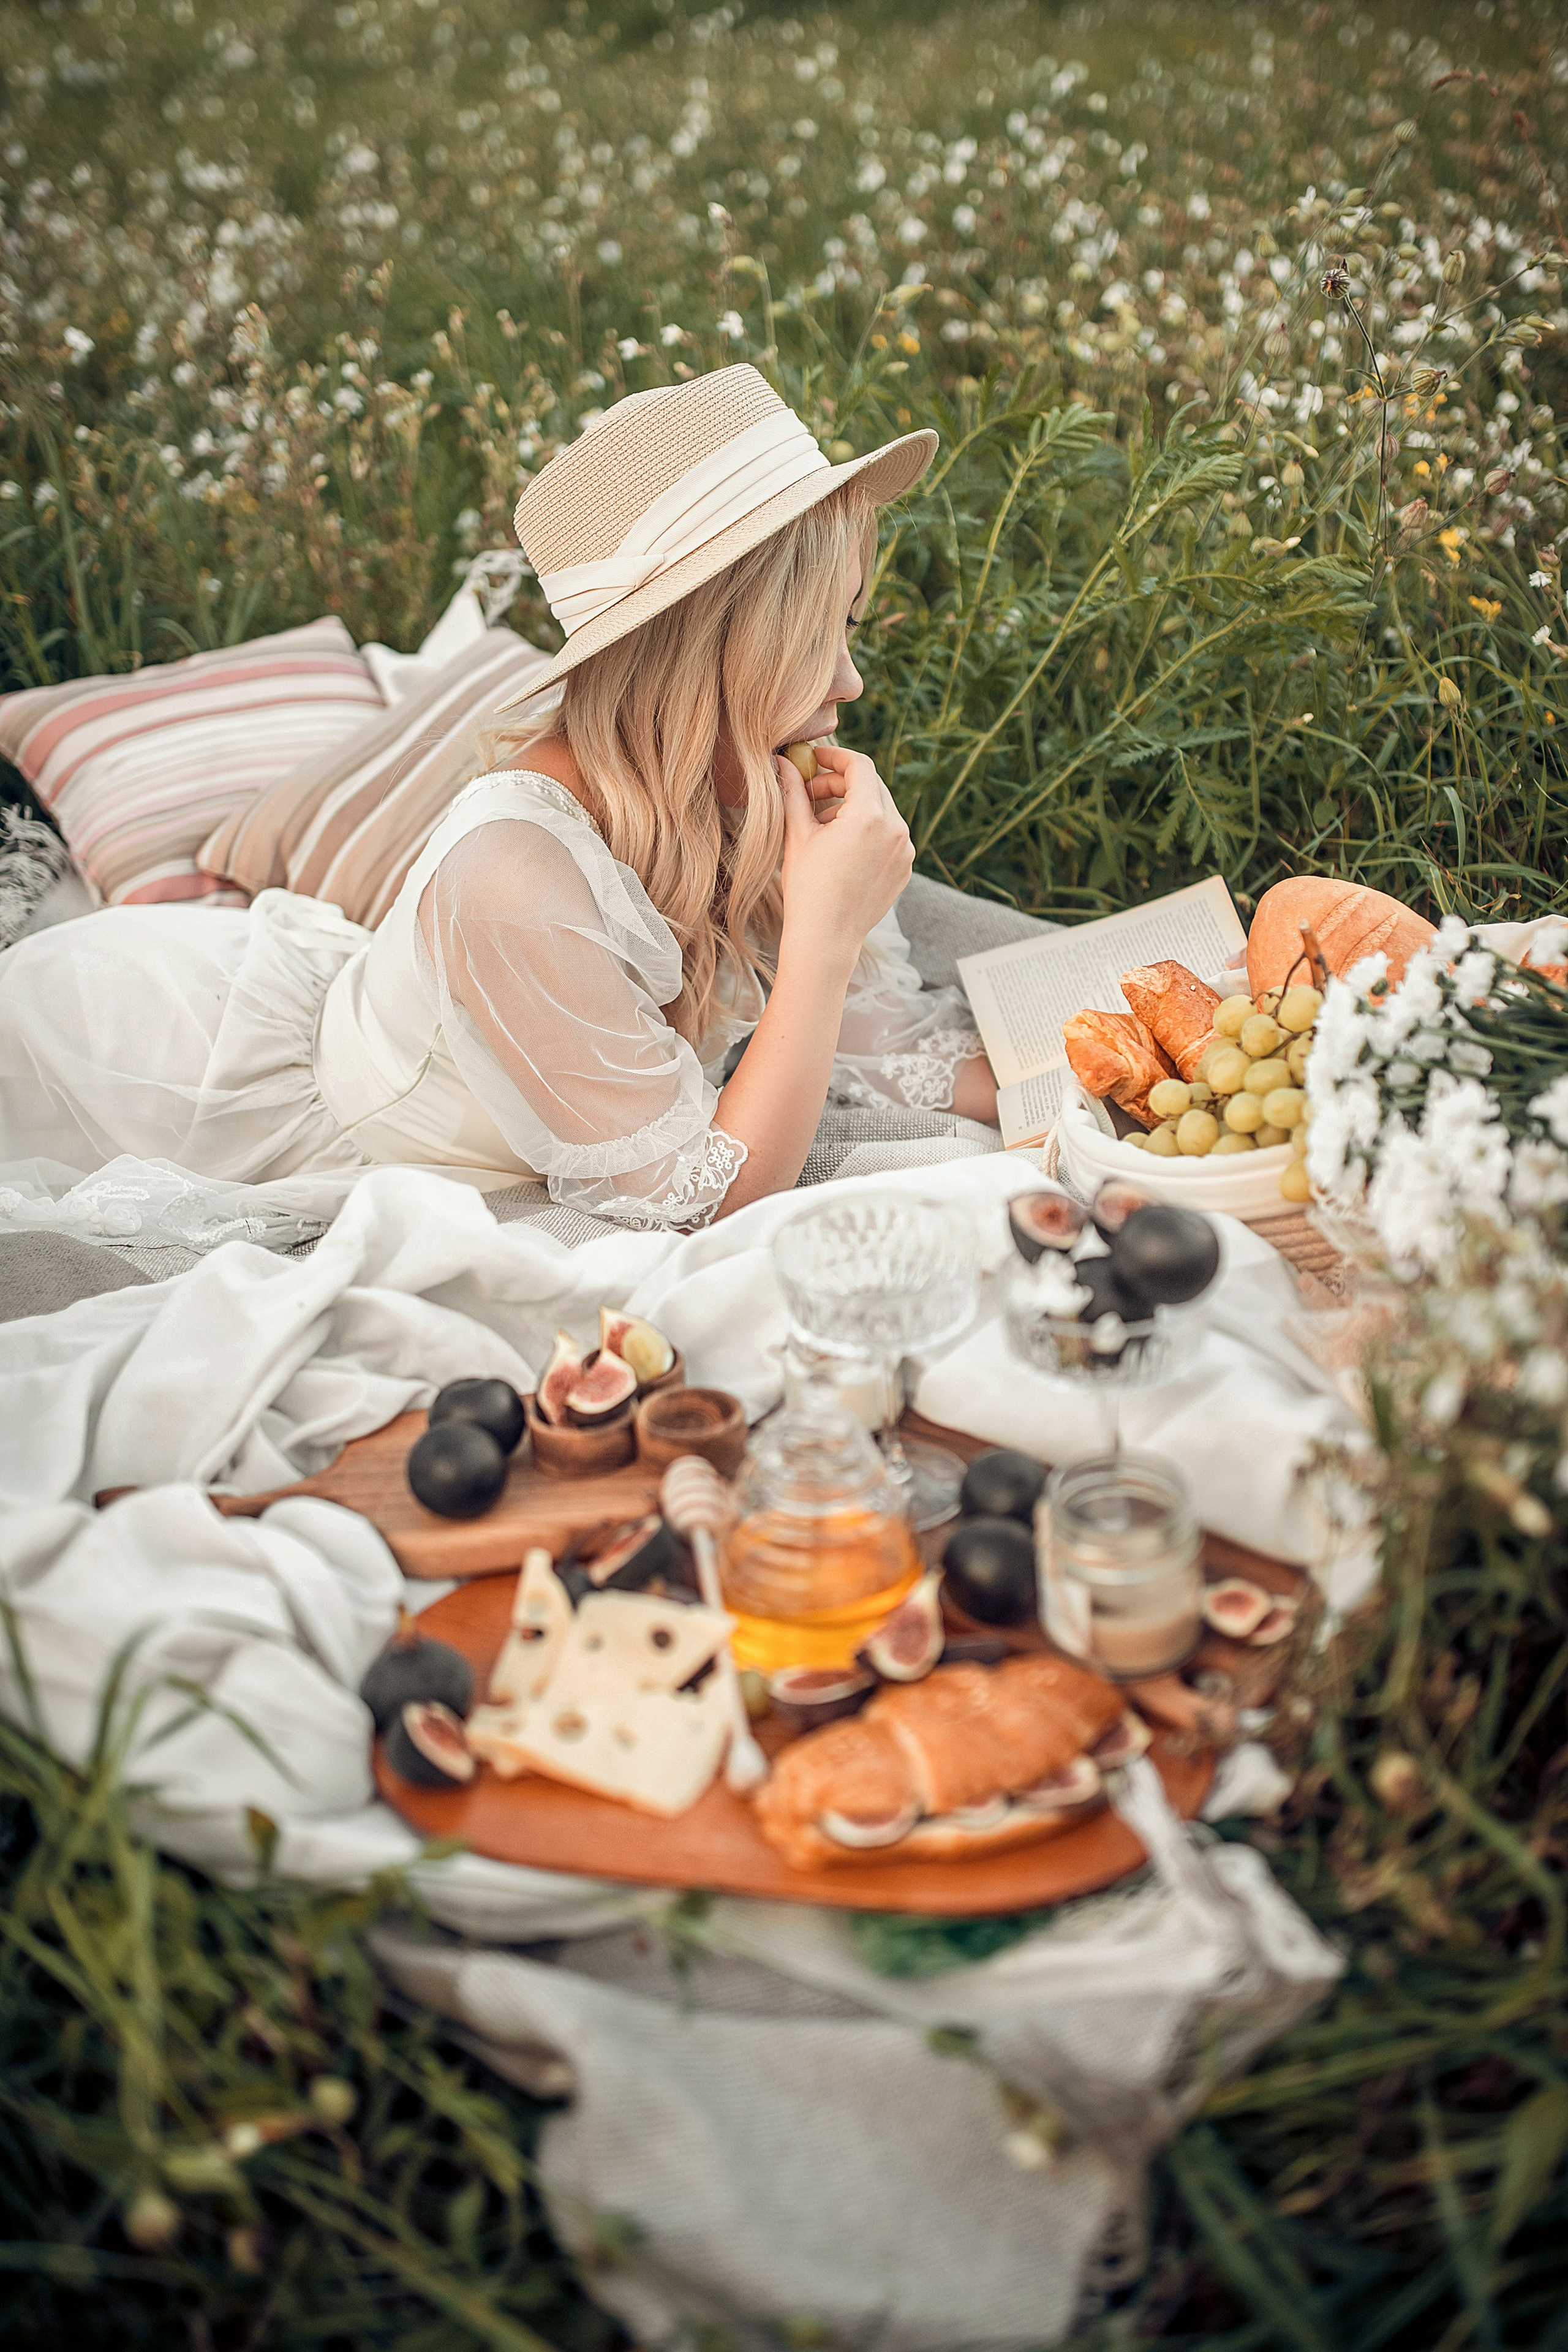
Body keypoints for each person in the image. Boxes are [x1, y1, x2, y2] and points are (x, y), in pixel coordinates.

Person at [0, 365, 997, 1234]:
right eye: (818, 640)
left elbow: (885, 1050)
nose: (851, 683)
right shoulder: (514, 874)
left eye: (851, 629)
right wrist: (825, 930)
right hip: (145, 1067)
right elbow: (707, 1201)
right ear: (711, 663)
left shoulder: (736, 789)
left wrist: (1099, 1077)